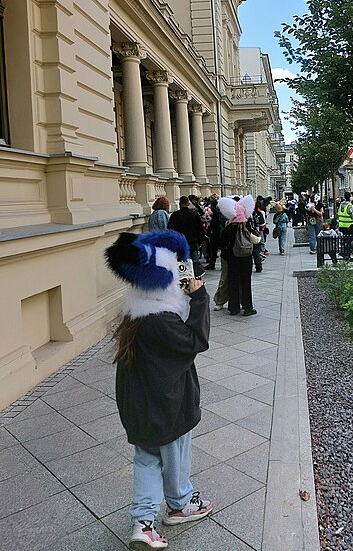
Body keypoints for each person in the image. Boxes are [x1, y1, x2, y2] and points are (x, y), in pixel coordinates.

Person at [105, 230, 212, 550]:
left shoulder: (136, 310)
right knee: (176, 456)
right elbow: (196, 341)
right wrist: (200, 297)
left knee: (147, 461)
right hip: (167, 406)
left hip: (138, 406)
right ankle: (180, 505)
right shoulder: (159, 318)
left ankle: (144, 522)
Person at [218, 195, 258, 316]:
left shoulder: (229, 228)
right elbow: (255, 240)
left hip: (232, 258)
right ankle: (247, 307)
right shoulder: (247, 227)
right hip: (246, 257)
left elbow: (221, 243)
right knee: (246, 282)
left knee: (233, 281)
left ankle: (234, 307)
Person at [168, 196, 206, 277]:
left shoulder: (175, 215)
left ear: (179, 204)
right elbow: (200, 229)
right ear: (188, 203)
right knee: (194, 261)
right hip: (192, 242)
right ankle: (195, 278)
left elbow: (170, 231)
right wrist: (200, 241)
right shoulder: (194, 214)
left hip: (179, 243)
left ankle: (184, 278)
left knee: (181, 262)